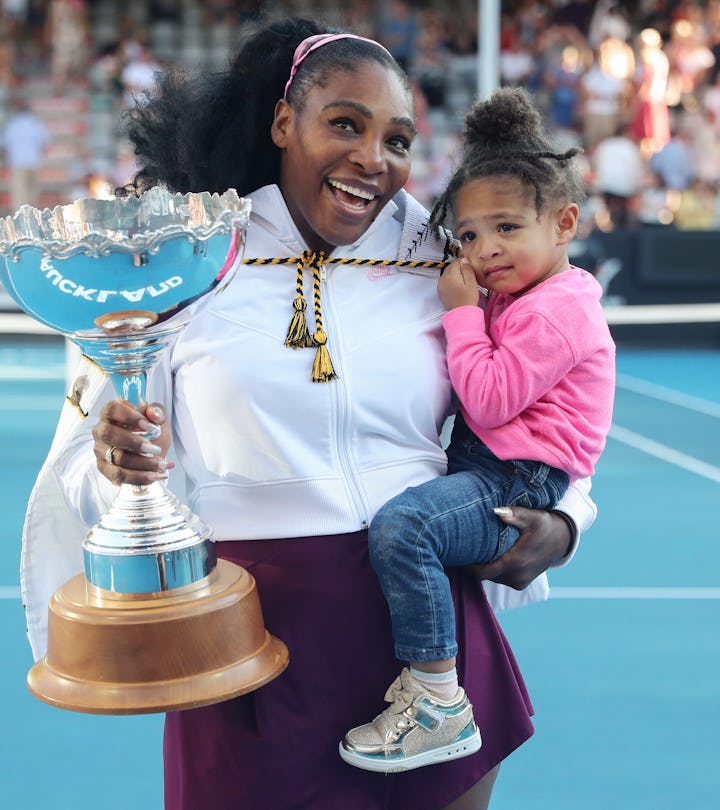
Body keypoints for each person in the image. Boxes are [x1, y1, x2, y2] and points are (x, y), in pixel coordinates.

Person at [21, 18, 598, 810]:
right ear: (284, 122)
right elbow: (91, 468)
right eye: (345, 125)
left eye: (398, 139)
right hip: (254, 639)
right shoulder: (184, 257)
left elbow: (556, 392)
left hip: (427, 647)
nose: (373, 158)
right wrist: (121, 467)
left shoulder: (444, 257)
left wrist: (566, 520)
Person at [340, 87, 615, 774]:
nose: (484, 251)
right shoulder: (528, 296)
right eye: (467, 236)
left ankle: (437, 699)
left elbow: (489, 401)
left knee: (408, 529)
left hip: (515, 477)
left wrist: (462, 312)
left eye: (507, 229)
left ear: (564, 223)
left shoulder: (555, 310)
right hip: (495, 465)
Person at [1, 96, 50, 212]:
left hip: (18, 163)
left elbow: (4, 146)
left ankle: (20, 223)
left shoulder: (12, 125)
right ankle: (33, 219)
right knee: (32, 195)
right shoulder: (36, 124)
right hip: (33, 162)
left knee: (19, 195)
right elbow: (45, 145)